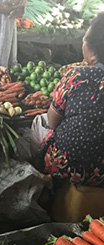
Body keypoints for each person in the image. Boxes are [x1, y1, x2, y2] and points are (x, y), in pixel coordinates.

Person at [37, 13, 104, 187]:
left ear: (94, 53)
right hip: (102, 172)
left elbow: (52, 122)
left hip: (67, 166)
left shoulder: (77, 76)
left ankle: (45, 182)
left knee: (39, 123)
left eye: (84, 40)